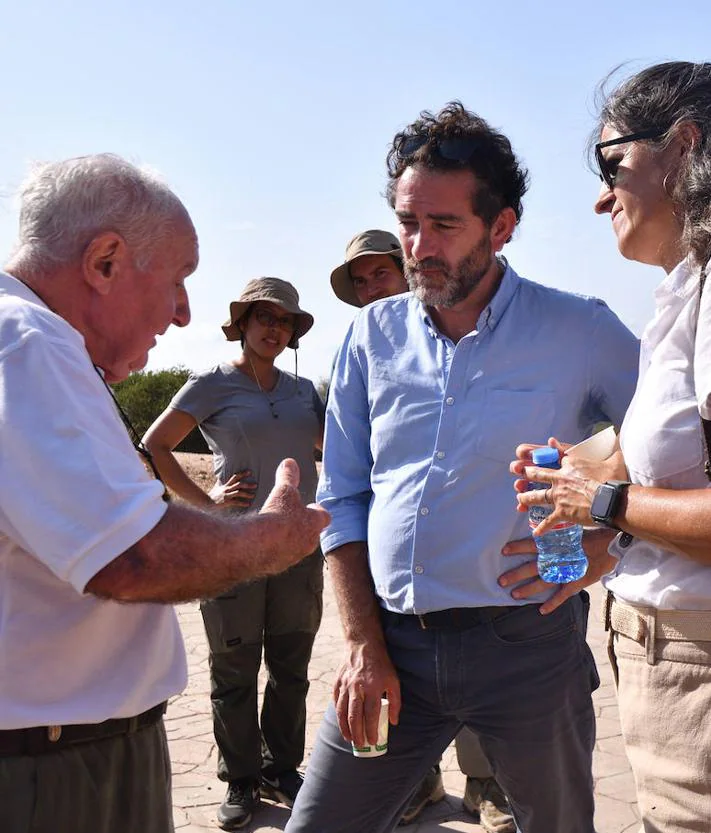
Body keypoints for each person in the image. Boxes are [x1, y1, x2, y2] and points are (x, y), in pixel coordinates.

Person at [285, 102, 639, 833]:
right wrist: (360, 645)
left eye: (443, 226)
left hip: (527, 651)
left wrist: (604, 543)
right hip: (391, 650)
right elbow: (344, 497)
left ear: (501, 227)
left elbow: (667, 446)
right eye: (408, 222)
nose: (418, 247)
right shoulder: (368, 337)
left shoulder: (580, 329)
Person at [0, 154, 329, 833]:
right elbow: (134, 558)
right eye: (179, 279)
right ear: (106, 261)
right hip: (57, 769)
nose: (183, 313)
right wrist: (267, 537)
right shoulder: (27, 343)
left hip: (62, 749)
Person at [513, 61, 711, 833]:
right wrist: (590, 509)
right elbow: (678, 457)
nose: (599, 196)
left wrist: (598, 499)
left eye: (611, 165)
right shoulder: (680, 288)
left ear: (683, 146)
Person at [330, 228, 514, 831]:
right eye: (358, 282)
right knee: (398, 707)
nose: (370, 288)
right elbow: (345, 486)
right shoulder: (363, 349)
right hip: (395, 599)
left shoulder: (494, 339)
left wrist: (597, 538)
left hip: (496, 605)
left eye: (378, 274)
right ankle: (419, 780)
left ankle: (486, 785)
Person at [143, 277, 325, 830]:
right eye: (264, 318)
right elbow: (156, 444)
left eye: (284, 321)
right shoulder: (211, 383)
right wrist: (207, 503)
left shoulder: (302, 393)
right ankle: (241, 778)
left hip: (298, 548)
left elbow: (332, 448)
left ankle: (281, 767)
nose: (274, 328)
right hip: (233, 547)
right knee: (235, 667)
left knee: (291, 665)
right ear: (241, 325)